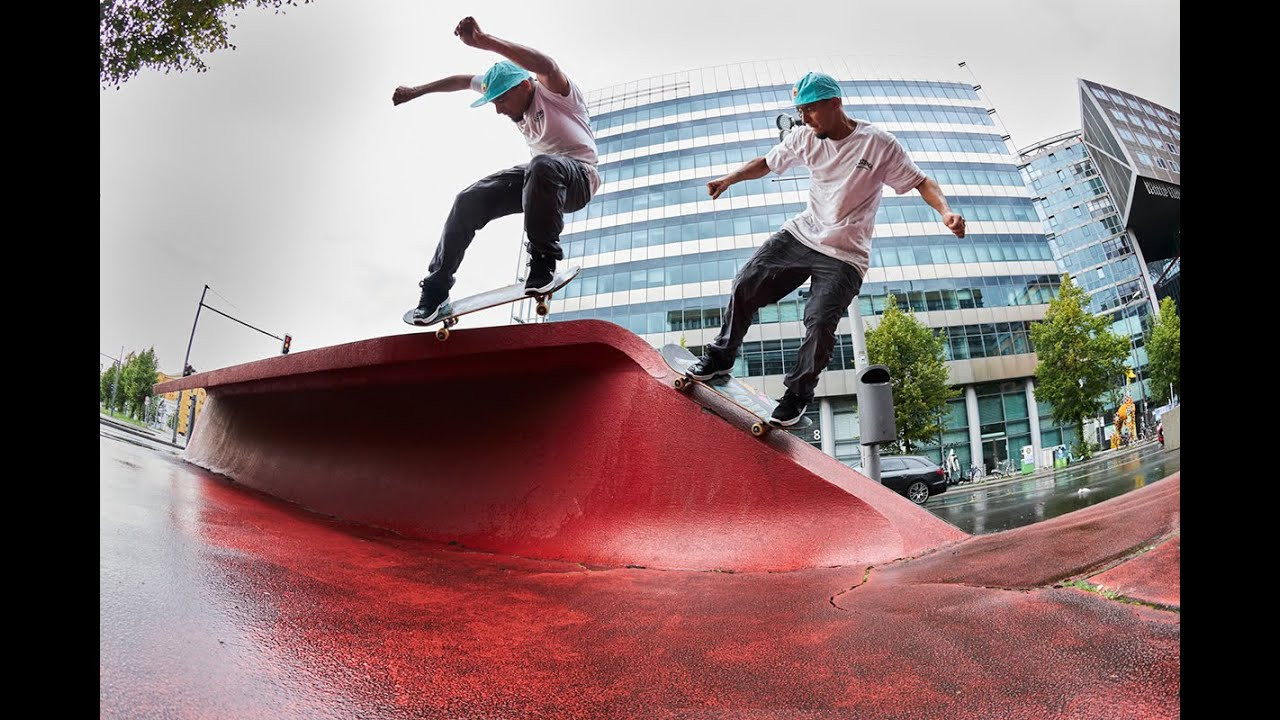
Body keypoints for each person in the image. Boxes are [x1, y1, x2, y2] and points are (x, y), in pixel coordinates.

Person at [686, 71, 966, 426]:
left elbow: (921, 181)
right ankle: (722, 355)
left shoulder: (879, 144)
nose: (803, 119)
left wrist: (946, 211)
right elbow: (766, 163)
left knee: (819, 321)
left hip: (846, 255)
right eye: (800, 111)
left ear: (835, 103)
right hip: (803, 234)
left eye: (810, 110)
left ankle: (797, 394)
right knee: (746, 282)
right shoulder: (805, 137)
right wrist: (729, 179)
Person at [393, 17, 600, 323]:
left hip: (578, 178)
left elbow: (548, 65)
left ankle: (542, 260)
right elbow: (463, 81)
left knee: (542, 165)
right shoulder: (504, 88)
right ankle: (436, 290)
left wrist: (485, 40)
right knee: (469, 199)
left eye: (502, 100)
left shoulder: (554, 91)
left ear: (525, 85)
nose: (499, 109)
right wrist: (417, 90)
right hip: (539, 181)